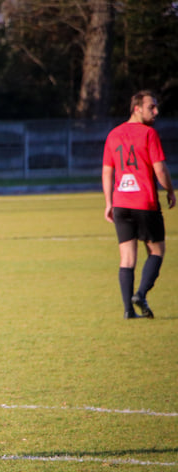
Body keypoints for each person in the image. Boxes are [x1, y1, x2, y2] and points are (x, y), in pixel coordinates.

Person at [102, 90, 175, 319]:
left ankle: (127, 311)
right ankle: (141, 294)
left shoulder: (113, 134)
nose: (156, 111)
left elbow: (107, 171)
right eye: (151, 107)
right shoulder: (148, 134)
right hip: (144, 201)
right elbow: (160, 169)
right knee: (157, 250)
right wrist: (171, 191)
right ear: (137, 109)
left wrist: (108, 202)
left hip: (121, 202)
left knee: (127, 258)